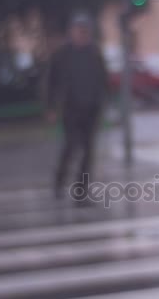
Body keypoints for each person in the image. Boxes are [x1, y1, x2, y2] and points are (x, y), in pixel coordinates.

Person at [47, 14, 108, 202]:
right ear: (71, 32)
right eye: (78, 30)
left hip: (90, 110)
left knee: (88, 153)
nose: (82, 35)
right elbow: (52, 82)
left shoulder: (94, 53)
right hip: (71, 109)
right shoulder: (62, 55)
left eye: (85, 31)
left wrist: (101, 102)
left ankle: (81, 192)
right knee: (70, 148)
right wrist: (51, 107)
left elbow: (103, 80)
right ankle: (59, 183)